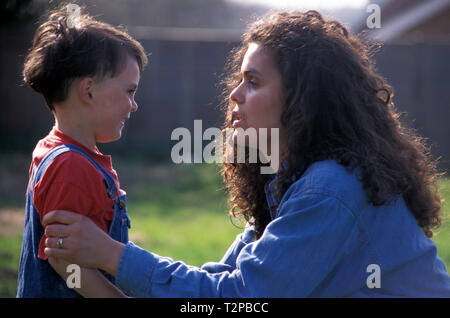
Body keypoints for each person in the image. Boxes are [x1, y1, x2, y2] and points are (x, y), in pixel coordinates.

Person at [43, 10, 450, 297]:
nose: (234, 95)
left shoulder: (330, 190)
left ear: (304, 98)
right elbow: (222, 280)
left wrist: (113, 256)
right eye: (239, 80)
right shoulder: (292, 180)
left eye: (253, 82)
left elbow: (241, 296)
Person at [16, 4, 147, 298]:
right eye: (129, 91)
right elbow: (66, 263)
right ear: (88, 91)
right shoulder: (70, 165)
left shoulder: (55, 149)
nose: (134, 105)